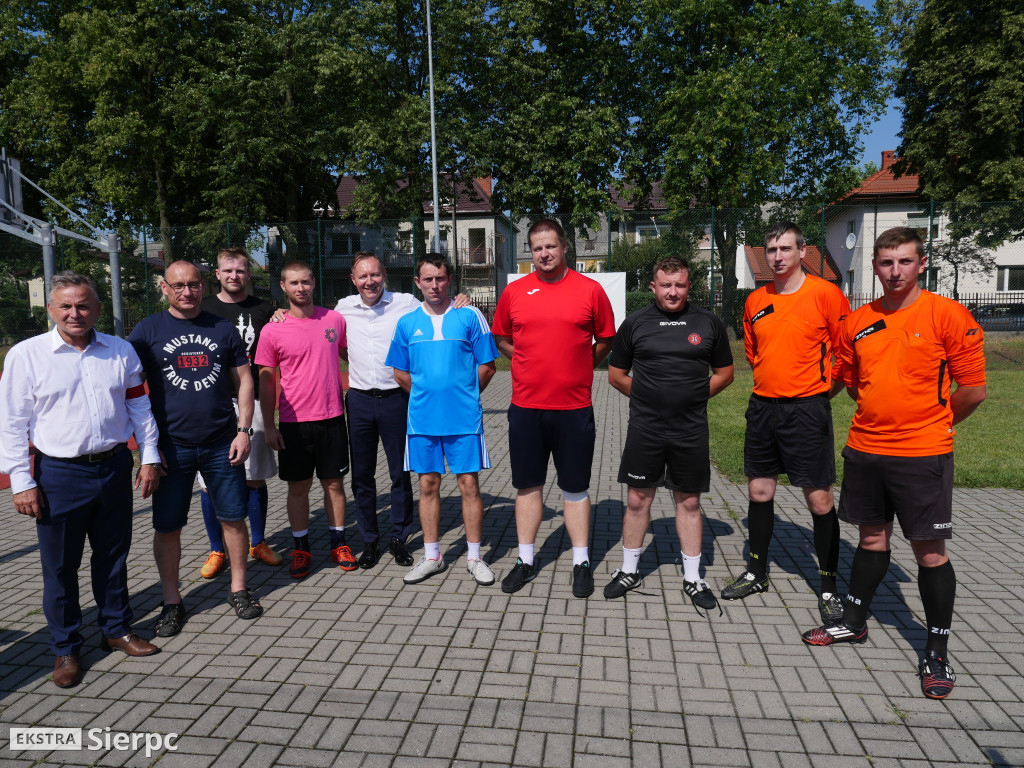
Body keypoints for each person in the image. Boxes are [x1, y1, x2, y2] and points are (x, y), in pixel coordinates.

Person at [802, 227, 986, 701]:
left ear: (921, 264)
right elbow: (850, 381)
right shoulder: (858, 321)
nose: (895, 271)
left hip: (923, 454)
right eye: (886, 262)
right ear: (875, 267)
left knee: (929, 553)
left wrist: (936, 424)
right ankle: (854, 622)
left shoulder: (948, 315)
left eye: (904, 261)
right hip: (866, 450)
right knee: (871, 539)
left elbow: (972, 390)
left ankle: (936, 651)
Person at [0, 271, 162, 688]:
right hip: (58, 474)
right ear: (50, 309)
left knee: (113, 557)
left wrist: (149, 457)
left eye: (83, 305)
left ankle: (116, 629)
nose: (75, 313)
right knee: (60, 567)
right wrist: (22, 480)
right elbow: (12, 423)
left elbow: (139, 408)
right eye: (66, 306)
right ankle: (66, 648)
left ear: (97, 308)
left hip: (113, 467)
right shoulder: (26, 355)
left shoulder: (120, 350)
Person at [721, 221, 852, 625]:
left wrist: (818, 393)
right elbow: (755, 353)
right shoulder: (755, 300)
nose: (778, 256)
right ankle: (756, 573)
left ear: (802, 252)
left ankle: (828, 586)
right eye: (772, 249)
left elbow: (846, 355)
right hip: (763, 408)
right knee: (759, 492)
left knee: (819, 500)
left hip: (807, 411)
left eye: (785, 249)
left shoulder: (826, 295)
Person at [130, 260, 261, 636]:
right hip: (171, 447)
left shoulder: (222, 328)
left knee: (233, 518)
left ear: (203, 286)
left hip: (222, 443)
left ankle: (238, 589)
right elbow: (129, 389)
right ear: (164, 288)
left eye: (193, 284)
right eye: (178, 285)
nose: (186, 292)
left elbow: (245, 381)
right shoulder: (147, 331)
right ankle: (172, 601)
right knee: (168, 527)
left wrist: (244, 431)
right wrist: (147, 450)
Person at [491, 217, 616, 598]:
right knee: (528, 485)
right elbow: (501, 337)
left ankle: (581, 562)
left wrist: (582, 365)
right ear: (530, 252)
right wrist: (524, 359)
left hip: (574, 407)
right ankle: (526, 560)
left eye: (551, 246)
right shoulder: (515, 292)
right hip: (526, 407)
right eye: (537, 248)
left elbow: (606, 339)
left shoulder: (590, 290)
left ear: (564, 247)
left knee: (575, 487)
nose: (544, 253)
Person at [605, 258, 734, 608]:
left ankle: (693, 578)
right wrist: (649, 397)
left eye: (679, 285)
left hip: (690, 429)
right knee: (637, 499)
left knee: (689, 502)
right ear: (653, 287)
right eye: (666, 285)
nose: (673, 292)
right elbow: (615, 375)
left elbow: (725, 373)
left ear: (689, 286)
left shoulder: (708, 323)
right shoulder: (635, 323)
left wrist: (693, 397)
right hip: (645, 428)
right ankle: (629, 570)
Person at [335, 253, 472, 570]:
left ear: (384, 274)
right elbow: (338, 343)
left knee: (400, 473)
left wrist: (460, 298)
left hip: (397, 399)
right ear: (353, 280)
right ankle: (370, 540)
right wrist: (279, 313)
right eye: (363, 276)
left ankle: (399, 538)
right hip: (359, 400)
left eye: (375, 275)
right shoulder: (343, 308)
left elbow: (437, 305)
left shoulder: (406, 303)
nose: (370, 282)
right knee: (362, 475)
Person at [385, 253, 499, 585]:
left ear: (449, 280)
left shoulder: (470, 315)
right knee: (427, 485)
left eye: (440, 278)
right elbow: (399, 372)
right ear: (417, 282)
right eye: (428, 279)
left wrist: (464, 395)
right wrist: (426, 395)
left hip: (464, 420)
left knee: (469, 485)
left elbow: (488, 366)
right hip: (422, 421)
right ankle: (433, 556)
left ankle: (475, 557)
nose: (434, 285)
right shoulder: (407, 322)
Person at [256, 260, 351, 579]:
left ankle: (338, 543)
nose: (301, 288)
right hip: (294, 424)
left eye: (306, 281)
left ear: (314, 283)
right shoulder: (273, 329)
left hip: (332, 417)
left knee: (334, 484)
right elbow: (267, 379)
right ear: (283, 286)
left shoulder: (334, 320)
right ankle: (301, 548)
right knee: (298, 488)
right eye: (294, 283)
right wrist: (270, 425)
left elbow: (352, 355)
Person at [196, 247, 282, 580]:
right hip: (213, 404)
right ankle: (217, 549)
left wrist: (280, 314)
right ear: (217, 274)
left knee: (253, 476)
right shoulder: (202, 309)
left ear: (248, 274)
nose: (235, 276)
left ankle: (257, 543)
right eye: (228, 270)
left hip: (254, 402)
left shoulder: (265, 310)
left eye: (241, 270)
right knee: (209, 482)